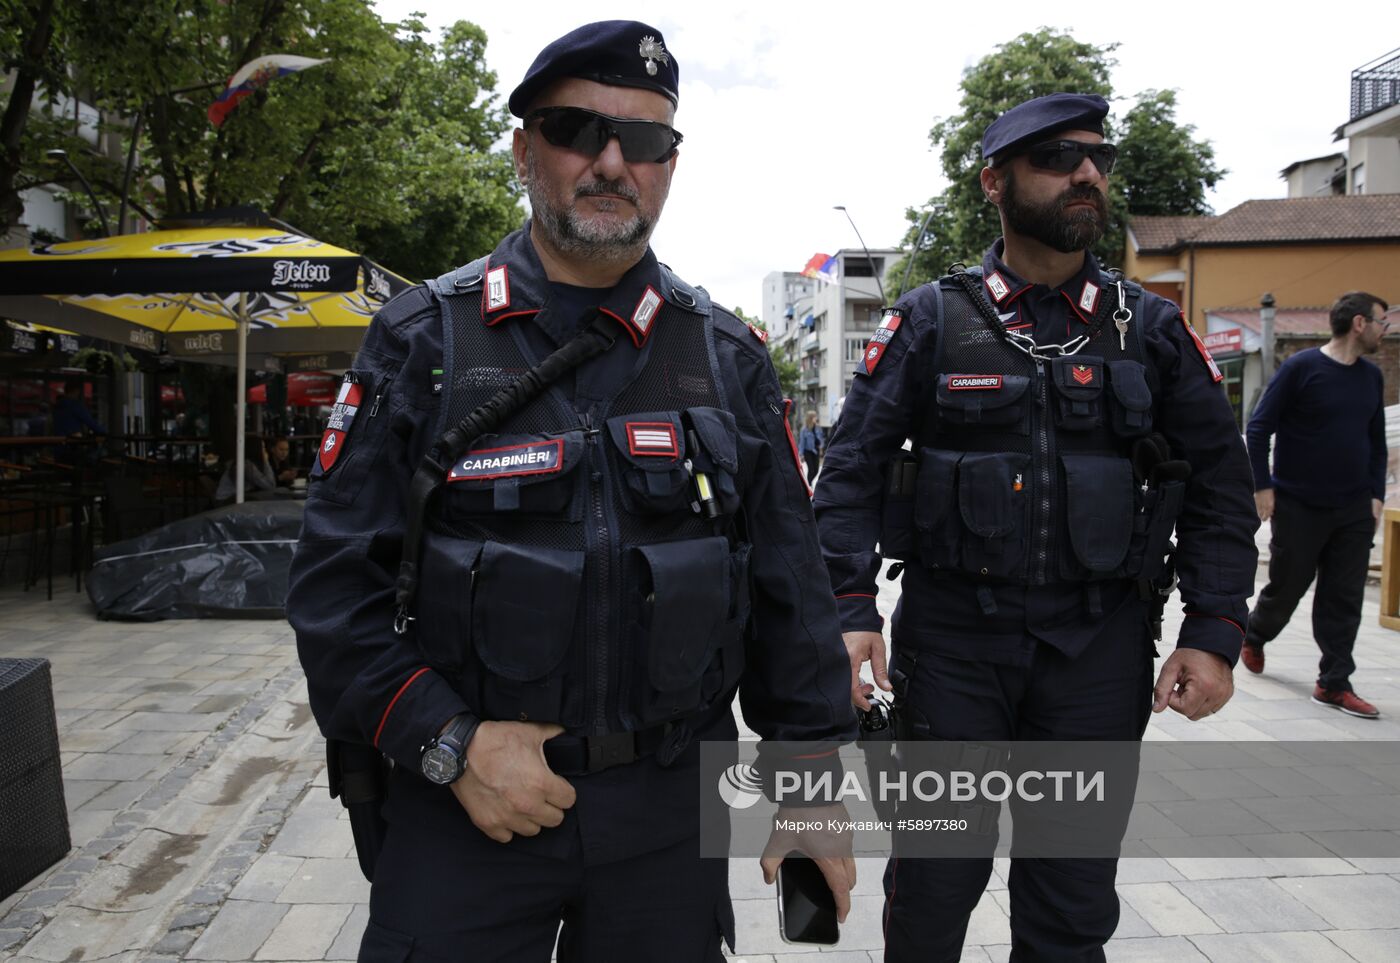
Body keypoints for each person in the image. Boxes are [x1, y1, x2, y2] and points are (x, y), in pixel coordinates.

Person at [287, 21, 856, 962]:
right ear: (522, 150)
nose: (611, 161)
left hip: (668, 819)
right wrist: (453, 743)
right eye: (575, 130)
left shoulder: (725, 359)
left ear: (672, 163)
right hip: (468, 809)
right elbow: (331, 594)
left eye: (644, 139)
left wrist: (811, 782)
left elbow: (790, 596)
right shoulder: (424, 341)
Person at [813, 93, 1259, 962]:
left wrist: (1213, 628)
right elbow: (851, 471)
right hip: (952, 653)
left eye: (1098, 156)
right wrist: (851, 606)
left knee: (1072, 898)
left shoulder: (1152, 329)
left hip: (1097, 654)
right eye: (1057, 156)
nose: (1086, 171)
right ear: (996, 181)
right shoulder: (933, 320)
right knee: (934, 887)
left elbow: (1221, 487)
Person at [1241, 292, 1390, 719]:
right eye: (1383, 321)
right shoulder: (1301, 368)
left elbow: (1376, 444)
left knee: (1343, 597)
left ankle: (1334, 683)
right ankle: (1255, 634)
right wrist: (1262, 486)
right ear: (1359, 324)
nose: (1387, 329)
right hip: (1299, 504)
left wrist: (1375, 495)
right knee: (1287, 586)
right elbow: (1258, 428)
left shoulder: (1371, 377)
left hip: (1354, 509)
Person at [214, 433, 278, 502]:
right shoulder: (246, 465)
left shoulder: (245, 463)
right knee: (276, 495)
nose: (265, 451)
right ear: (256, 449)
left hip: (231, 498)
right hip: (227, 501)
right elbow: (270, 485)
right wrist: (266, 462)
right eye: (263, 447)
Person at [798, 409, 825, 483]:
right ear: (810, 418)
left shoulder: (818, 428)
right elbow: (802, 443)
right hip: (808, 451)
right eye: (815, 417)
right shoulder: (804, 430)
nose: (816, 418)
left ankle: (809, 483)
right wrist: (801, 454)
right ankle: (808, 485)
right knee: (811, 470)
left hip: (816, 451)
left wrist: (821, 449)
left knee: (816, 470)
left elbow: (821, 439)